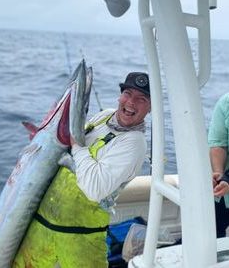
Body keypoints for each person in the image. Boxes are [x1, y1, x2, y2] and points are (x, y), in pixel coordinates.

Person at [12, 72, 152, 268]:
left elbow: (94, 188)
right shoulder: (104, 116)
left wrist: (77, 146)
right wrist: (46, 143)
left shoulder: (134, 143)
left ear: (150, 108)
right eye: (128, 94)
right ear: (120, 96)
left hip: (79, 237)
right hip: (42, 225)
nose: (131, 103)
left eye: (141, 99)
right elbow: (72, 152)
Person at [208, 92, 229, 238]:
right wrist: (219, 176)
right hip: (225, 189)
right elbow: (218, 144)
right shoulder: (226, 102)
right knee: (212, 232)